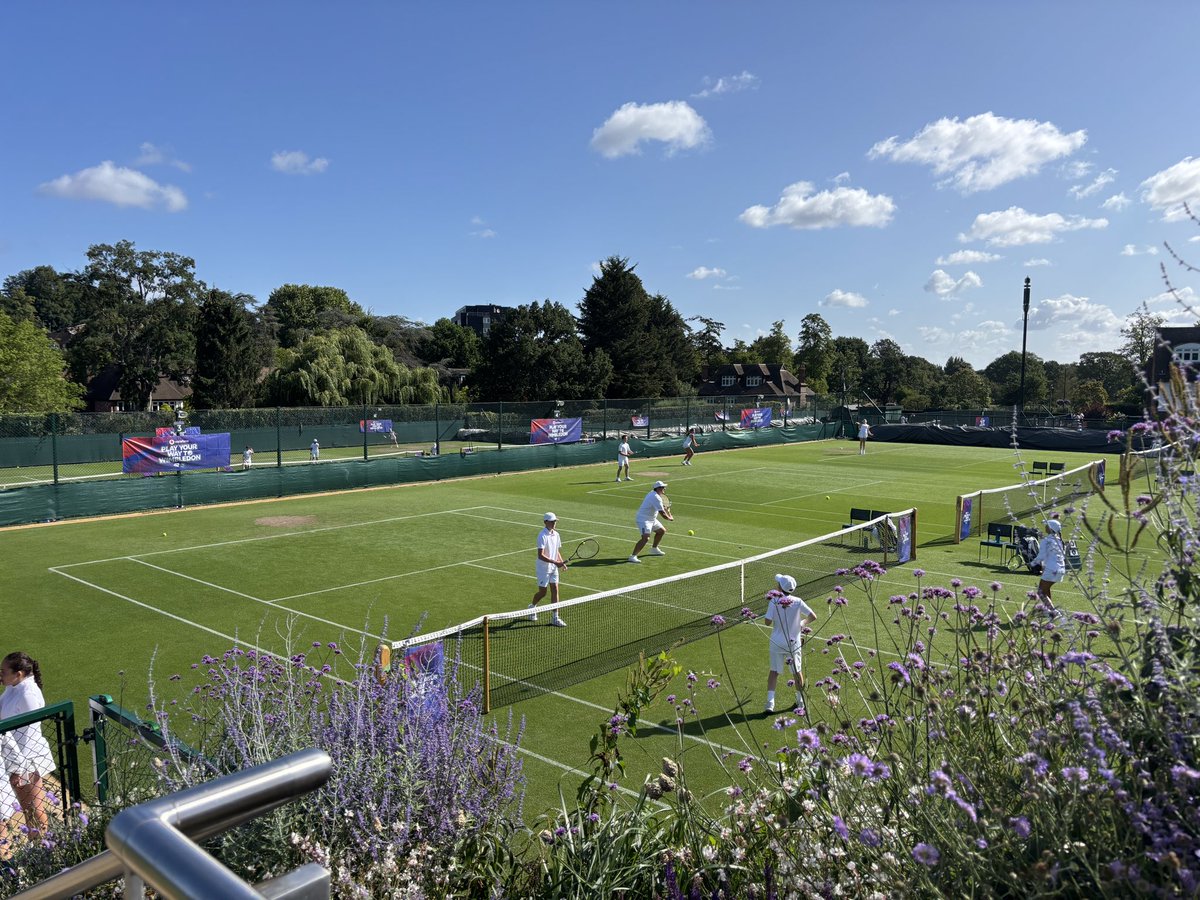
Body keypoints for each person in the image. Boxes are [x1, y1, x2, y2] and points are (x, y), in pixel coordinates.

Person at [0, 652, 55, 835]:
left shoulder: (28, 694)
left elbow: (30, 734)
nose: (0, 674)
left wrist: (19, 768)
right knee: (28, 809)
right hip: (15, 756)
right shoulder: (13, 687)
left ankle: (44, 846)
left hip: (27, 761)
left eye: (3, 671)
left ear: (19, 674)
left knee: (34, 810)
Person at [763, 575, 818, 713]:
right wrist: (801, 624)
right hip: (793, 643)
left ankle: (770, 703)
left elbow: (767, 622)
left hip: (776, 642)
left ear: (780, 587)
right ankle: (800, 702)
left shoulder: (774, 601)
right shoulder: (798, 601)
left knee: (774, 671)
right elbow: (813, 616)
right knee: (797, 671)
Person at [528, 513, 567, 626]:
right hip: (543, 568)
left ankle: (555, 617)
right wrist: (555, 562)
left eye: (555, 521)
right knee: (543, 592)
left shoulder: (557, 534)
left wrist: (561, 562)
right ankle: (532, 607)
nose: (554, 523)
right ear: (545, 522)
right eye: (552, 521)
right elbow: (540, 555)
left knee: (555, 589)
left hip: (553, 568)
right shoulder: (542, 535)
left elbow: (556, 551)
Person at [629, 481, 673, 563]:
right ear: (658, 488)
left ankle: (654, 549)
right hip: (643, 519)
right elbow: (662, 513)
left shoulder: (653, 493)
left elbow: (661, 507)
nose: (664, 489)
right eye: (663, 487)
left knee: (661, 531)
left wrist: (665, 509)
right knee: (645, 538)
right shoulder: (656, 497)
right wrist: (669, 518)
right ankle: (633, 556)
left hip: (652, 519)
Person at [1030, 518, 1068, 611]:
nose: (1045, 527)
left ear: (1051, 528)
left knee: (1040, 592)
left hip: (1051, 569)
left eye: (1047, 525)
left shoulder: (1046, 541)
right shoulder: (1060, 541)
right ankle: (1048, 611)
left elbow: (1041, 556)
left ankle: (1054, 612)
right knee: (1046, 589)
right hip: (1061, 570)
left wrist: (1032, 563)